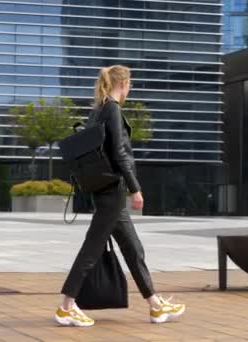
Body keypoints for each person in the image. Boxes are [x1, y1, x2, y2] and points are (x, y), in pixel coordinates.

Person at [54, 65, 186, 327]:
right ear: (123, 83)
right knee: (91, 250)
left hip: (106, 192)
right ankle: (66, 306)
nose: (131, 88)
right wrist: (135, 188)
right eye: (130, 83)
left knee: (133, 248)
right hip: (111, 193)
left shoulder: (99, 110)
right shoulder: (112, 109)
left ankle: (155, 305)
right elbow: (119, 153)